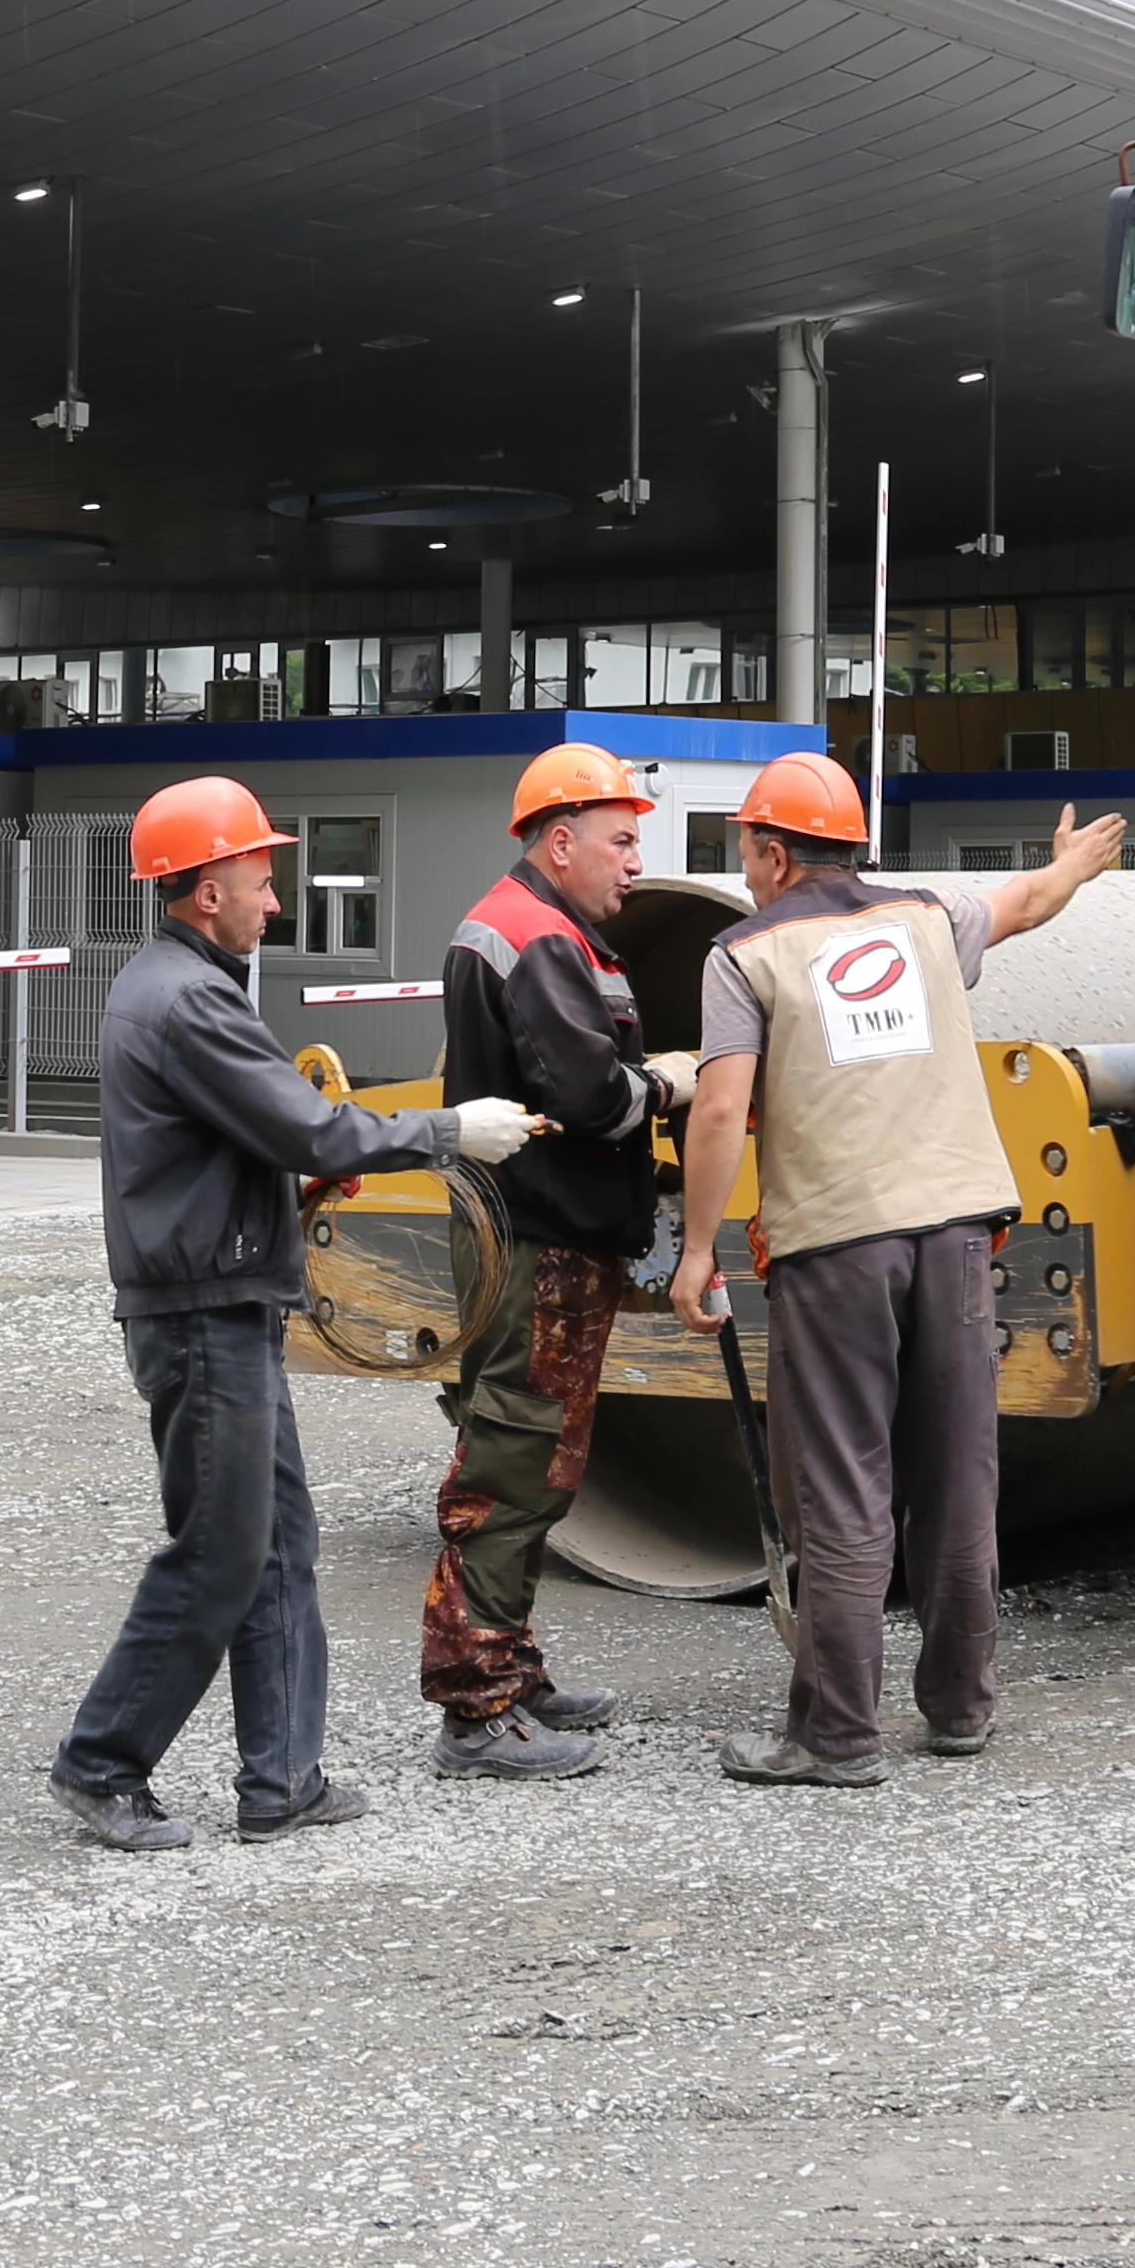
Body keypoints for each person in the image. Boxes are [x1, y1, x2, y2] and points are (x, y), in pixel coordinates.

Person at [51, 773, 535, 1855]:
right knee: (221, 1553)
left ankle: (283, 1780)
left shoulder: (183, 986)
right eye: (261, 879)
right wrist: (449, 1130)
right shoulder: (189, 1000)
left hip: (222, 1299)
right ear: (206, 889)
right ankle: (102, 1763)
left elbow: (267, 1141)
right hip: (204, 1311)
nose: (276, 901)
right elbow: (309, 1129)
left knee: (276, 1547)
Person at [663, 749, 1123, 1787]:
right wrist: (1075, 864)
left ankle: (836, 1735)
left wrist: (698, 1251)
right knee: (956, 1473)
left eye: (746, 852)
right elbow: (1029, 901)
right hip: (960, 1233)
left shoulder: (743, 955)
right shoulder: (925, 919)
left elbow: (724, 1107)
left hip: (839, 1248)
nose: (744, 872)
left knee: (842, 1482)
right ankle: (961, 1707)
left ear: (776, 853)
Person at [416, 742, 696, 1778]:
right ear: (563, 840)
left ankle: (514, 1668)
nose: (635, 861)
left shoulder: (545, 930)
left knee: (540, 1462)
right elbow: (590, 1099)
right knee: (512, 1463)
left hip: (542, 1239)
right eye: (623, 841)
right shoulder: (535, 939)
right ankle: (476, 1708)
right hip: (538, 1243)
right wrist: (670, 1080)